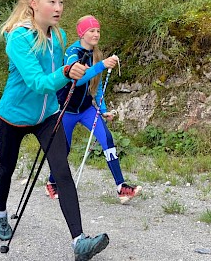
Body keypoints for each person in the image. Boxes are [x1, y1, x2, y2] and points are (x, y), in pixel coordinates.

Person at [0, 0, 109, 261]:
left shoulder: (58, 36)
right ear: (34, 5)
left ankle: (79, 242)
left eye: (61, 2)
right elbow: (38, 82)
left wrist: (76, 74)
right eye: (52, 1)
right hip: (14, 117)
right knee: (6, 168)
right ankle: (0, 212)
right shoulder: (19, 38)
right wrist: (67, 73)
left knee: (62, 171)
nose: (58, 7)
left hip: (47, 116)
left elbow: (61, 75)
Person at [45, 15, 142, 204]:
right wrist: (101, 65)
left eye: (98, 30)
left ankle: (121, 187)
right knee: (63, 149)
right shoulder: (73, 52)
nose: (96, 34)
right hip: (67, 110)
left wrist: (103, 109)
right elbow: (77, 79)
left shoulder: (95, 54)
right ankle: (51, 182)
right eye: (91, 31)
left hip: (87, 109)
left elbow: (95, 86)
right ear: (82, 33)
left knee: (107, 139)